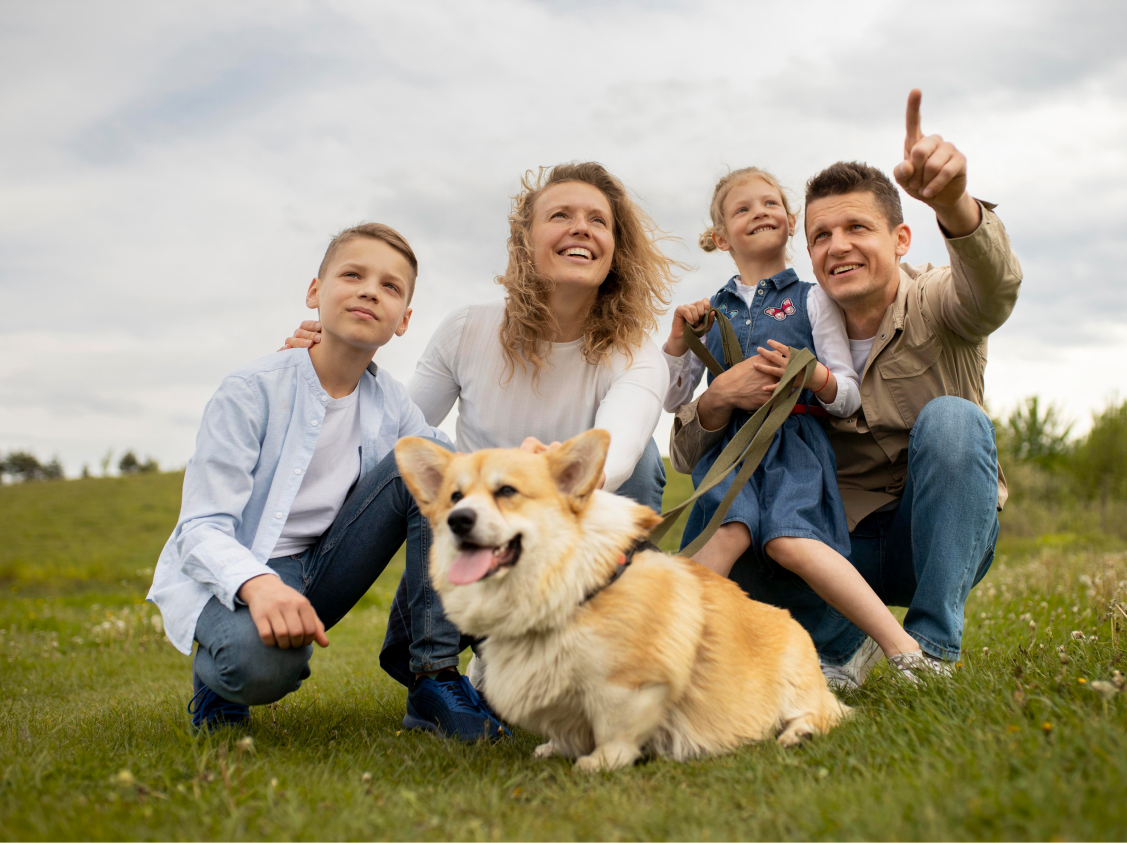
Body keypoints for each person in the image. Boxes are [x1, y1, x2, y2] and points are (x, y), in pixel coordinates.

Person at [286, 162, 679, 736]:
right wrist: (317, 375)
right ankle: (435, 669)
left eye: (599, 220)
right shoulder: (469, 330)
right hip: (462, 569)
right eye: (561, 215)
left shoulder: (636, 352)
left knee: (642, 463)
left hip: (553, 562)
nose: (581, 228)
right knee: (429, 449)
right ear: (526, 240)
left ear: (615, 249)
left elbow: (615, 455)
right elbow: (392, 442)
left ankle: (590, 657)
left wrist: (544, 472)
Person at [669, 90, 1021, 688]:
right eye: (822, 235)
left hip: (928, 537)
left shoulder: (939, 299)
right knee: (746, 515)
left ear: (901, 240)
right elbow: (684, 451)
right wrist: (719, 394)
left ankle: (931, 651)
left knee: (955, 421)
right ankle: (838, 641)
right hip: (831, 541)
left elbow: (995, 287)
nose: (838, 246)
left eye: (858, 227)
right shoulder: (785, 319)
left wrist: (956, 204)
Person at [148, 223, 472, 731]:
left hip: (325, 568)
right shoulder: (250, 390)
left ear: (403, 320)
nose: (369, 290)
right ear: (314, 292)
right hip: (242, 570)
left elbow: (459, 472)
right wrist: (259, 585)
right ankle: (218, 684)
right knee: (263, 666)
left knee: (433, 462)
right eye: (352, 274)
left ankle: (433, 674)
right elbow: (202, 529)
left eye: (390, 286)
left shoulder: (392, 404)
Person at [663, 167, 928, 665]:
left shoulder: (813, 298)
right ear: (721, 237)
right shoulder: (709, 310)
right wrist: (679, 343)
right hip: (729, 452)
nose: (758, 212)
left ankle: (902, 647)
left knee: (792, 542)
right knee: (724, 534)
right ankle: (659, 649)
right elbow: (674, 396)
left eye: (769, 204)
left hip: (794, 444)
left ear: (789, 223)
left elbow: (848, 393)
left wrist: (811, 376)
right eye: (742, 208)